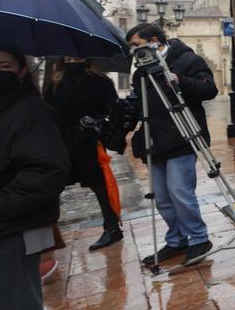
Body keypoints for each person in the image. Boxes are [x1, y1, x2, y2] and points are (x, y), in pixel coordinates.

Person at [0, 45, 70, 309]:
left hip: (10, 228)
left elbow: (47, 170)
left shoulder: (31, 111)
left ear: (21, 71)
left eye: (4, 66)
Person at [125, 23, 219, 267]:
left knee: (179, 191)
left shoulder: (187, 59)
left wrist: (179, 81)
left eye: (137, 45)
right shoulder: (141, 73)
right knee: (163, 196)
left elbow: (209, 89)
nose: (134, 51)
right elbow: (139, 104)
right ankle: (177, 240)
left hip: (183, 136)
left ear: (154, 40)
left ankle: (199, 238)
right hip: (155, 141)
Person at [44, 57, 123, 250]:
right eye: (69, 57)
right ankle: (47, 235)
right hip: (60, 140)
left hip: (88, 140)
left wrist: (95, 121)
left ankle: (112, 227)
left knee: (99, 184)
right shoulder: (54, 81)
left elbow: (112, 110)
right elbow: (47, 111)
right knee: (50, 185)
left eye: (77, 56)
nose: (73, 61)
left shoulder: (101, 81)